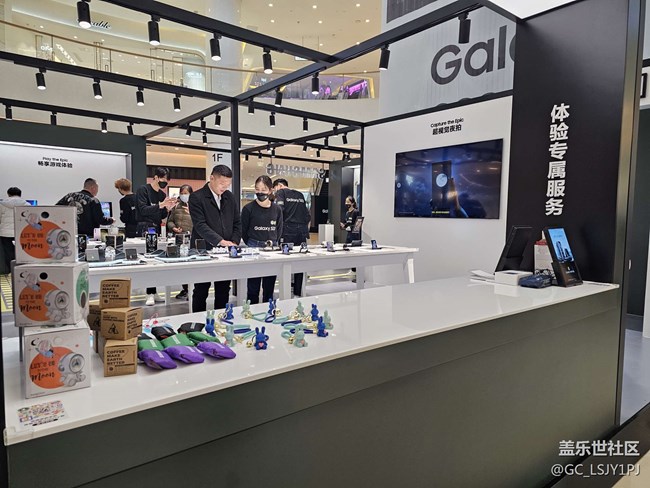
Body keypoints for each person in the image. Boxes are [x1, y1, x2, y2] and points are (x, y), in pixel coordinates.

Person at [189, 165, 241, 312]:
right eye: (222, 183)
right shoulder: (197, 197)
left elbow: (237, 222)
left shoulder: (229, 197)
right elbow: (200, 225)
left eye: (228, 184)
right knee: (201, 289)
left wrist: (234, 242)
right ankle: (197, 320)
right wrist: (221, 242)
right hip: (203, 250)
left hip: (226, 251)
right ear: (212, 178)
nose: (225, 187)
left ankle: (222, 319)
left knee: (223, 289)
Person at [135, 167, 177, 306]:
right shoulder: (143, 190)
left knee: (155, 260)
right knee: (147, 261)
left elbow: (162, 214)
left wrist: (167, 209)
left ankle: (154, 291)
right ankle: (149, 293)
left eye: (167, 181)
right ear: (156, 177)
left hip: (157, 227)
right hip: (144, 227)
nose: (164, 183)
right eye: (163, 180)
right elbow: (143, 210)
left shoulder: (161, 194)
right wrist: (161, 205)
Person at [242, 175, 283, 304]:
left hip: (272, 248)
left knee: (269, 286)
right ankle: (251, 310)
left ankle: (268, 310)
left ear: (270, 190)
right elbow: (244, 231)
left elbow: (279, 229)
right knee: (253, 286)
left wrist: (273, 242)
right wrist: (252, 243)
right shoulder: (248, 208)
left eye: (264, 189)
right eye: (257, 189)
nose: (260, 192)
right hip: (253, 247)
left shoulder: (277, 209)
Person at [273, 178, 310, 297]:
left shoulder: (281, 193)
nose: (274, 192)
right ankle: (298, 291)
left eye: (274, 189)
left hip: (288, 231)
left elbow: (279, 210)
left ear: (279, 186)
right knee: (300, 260)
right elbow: (307, 214)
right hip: (302, 232)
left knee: (286, 260)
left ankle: (286, 290)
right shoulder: (300, 194)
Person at [167, 184, 194, 300]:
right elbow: (170, 221)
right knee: (182, 266)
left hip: (192, 239)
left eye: (186, 193)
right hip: (179, 239)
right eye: (182, 193)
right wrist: (173, 228)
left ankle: (192, 290)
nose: (184, 195)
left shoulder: (196, 206)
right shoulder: (176, 206)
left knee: (191, 267)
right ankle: (185, 289)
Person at [0, 187, 27, 273]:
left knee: (8, 253)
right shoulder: (27, 205)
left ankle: (10, 272)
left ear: (8, 194)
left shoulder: (1, 204)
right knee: (21, 253)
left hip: (5, 233)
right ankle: (20, 271)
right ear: (20, 194)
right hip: (21, 233)